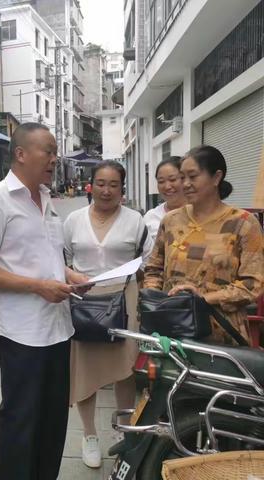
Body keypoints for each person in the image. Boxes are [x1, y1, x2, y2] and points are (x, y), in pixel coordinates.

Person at [0, 123, 88, 480]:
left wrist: (71, 276)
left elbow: (47, 259)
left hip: (59, 329)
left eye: (54, 151)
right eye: (47, 151)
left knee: (53, 423)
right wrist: (38, 287)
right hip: (23, 336)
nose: (54, 158)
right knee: (21, 424)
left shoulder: (48, 201)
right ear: (21, 154)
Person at [63, 160, 153, 469]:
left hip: (124, 303)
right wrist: (71, 277)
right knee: (85, 372)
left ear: (122, 188)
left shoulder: (135, 221)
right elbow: (62, 259)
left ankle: (126, 434)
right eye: (100, 183)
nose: (106, 190)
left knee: (124, 370)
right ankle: (89, 435)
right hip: (84, 304)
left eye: (113, 184)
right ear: (91, 185)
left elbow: (149, 263)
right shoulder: (73, 219)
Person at [144, 145, 264, 345]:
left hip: (222, 333)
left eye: (193, 176)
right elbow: (154, 270)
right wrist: (156, 302)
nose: (186, 184)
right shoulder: (171, 221)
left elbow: (254, 285)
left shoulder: (243, 223)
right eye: (182, 177)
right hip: (172, 330)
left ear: (216, 178)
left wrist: (203, 298)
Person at [144, 156, 186, 244]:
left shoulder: (200, 213)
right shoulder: (151, 216)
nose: (167, 186)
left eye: (172, 179)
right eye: (161, 181)